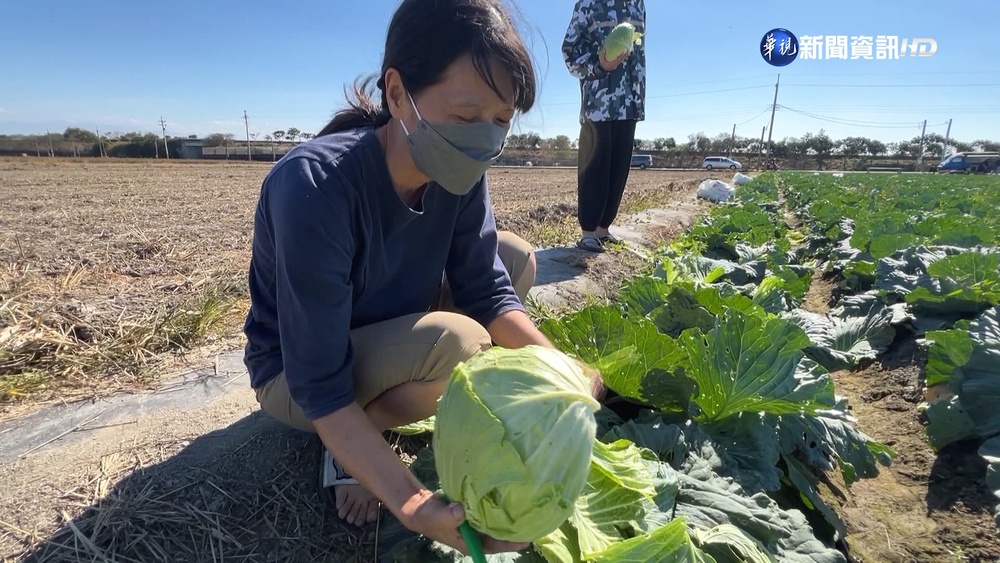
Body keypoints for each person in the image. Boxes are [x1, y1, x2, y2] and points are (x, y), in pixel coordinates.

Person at [241, 0, 603, 556]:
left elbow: (487, 288)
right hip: (297, 372)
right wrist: (412, 505)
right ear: (396, 94)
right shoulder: (313, 187)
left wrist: (561, 376)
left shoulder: (456, 174)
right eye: (465, 116)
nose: (484, 137)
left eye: (501, 122)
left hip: (389, 329)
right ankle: (351, 450)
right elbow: (317, 380)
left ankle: (376, 418)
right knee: (462, 343)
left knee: (516, 257)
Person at [562, 0, 647, 253]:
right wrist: (599, 65)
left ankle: (603, 229)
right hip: (598, 100)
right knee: (595, 166)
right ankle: (588, 231)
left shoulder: (638, 5)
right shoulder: (589, 3)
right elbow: (570, 50)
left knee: (618, 167)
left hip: (630, 99)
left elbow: (637, 45)